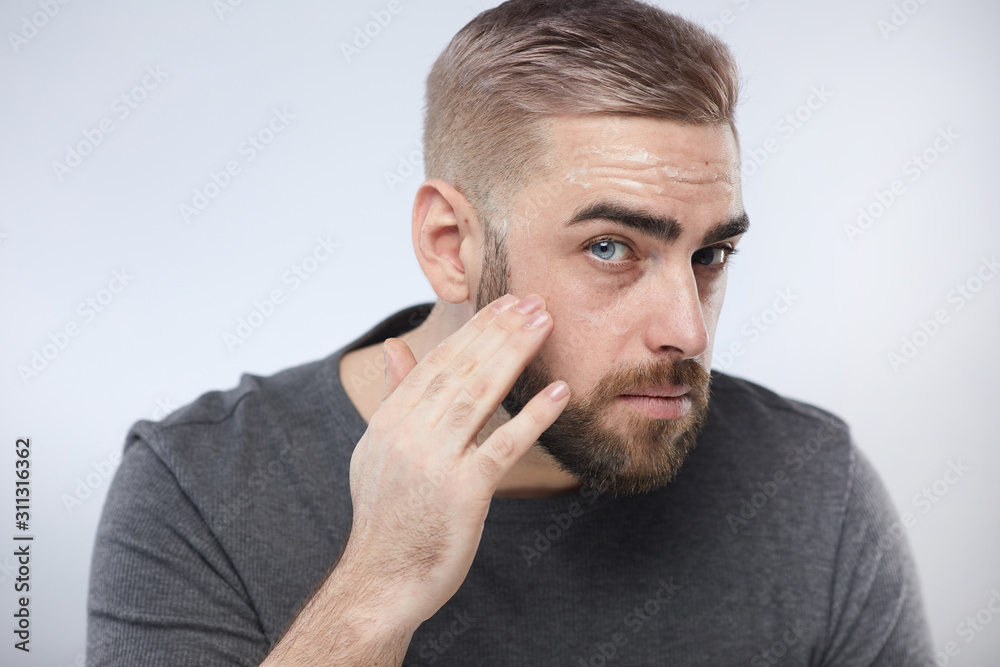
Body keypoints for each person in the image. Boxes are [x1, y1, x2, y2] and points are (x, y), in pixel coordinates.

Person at [87, 1, 934, 664]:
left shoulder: (813, 487)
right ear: (451, 247)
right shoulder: (198, 486)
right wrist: (379, 587)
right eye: (611, 247)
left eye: (710, 253)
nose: (688, 330)